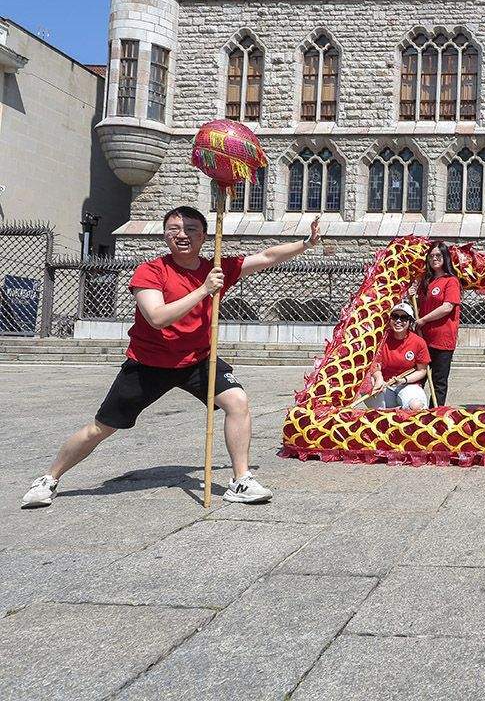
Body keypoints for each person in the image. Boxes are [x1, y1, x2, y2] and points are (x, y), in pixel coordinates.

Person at [21, 206, 323, 509]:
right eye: (174, 228)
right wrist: (204, 290)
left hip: (198, 361)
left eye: (191, 229)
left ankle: (241, 479)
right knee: (101, 427)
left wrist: (306, 244)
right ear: (165, 234)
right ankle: (49, 478)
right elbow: (157, 317)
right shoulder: (151, 271)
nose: (182, 234)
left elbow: (267, 257)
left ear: (204, 236)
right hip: (148, 364)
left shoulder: (215, 268)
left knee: (237, 402)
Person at [415, 241, 461, 406]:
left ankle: (435, 414)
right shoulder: (425, 281)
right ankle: (414, 408)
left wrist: (424, 320)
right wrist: (411, 296)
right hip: (423, 339)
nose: (434, 258)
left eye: (438, 255)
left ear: (445, 257)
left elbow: (447, 307)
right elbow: (419, 306)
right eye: (431, 256)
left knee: (438, 381)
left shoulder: (451, 281)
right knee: (419, 377)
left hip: (442, 339)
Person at [366, 302, 430, 411]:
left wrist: (404, 380)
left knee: (416, 406)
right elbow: (375, 365)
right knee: (367, 385)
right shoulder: (382, 339)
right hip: (385, 384)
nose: (398, 321)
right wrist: (379, 379)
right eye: (395, 317)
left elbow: (422, 371)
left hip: (408, 384)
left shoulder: (418, 342)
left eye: (404, 318)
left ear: (410, 322)